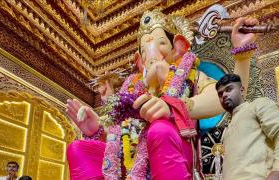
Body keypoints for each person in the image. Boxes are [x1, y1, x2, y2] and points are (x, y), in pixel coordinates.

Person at [66, 9, 259, 179]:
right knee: (78, 149)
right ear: (139, 61)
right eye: (145, 50)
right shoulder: (133, 90)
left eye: (161, 44)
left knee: (159, 128)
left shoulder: (190, 77)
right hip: (133, 168)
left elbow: (225, 97)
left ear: (178, 48)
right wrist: (97, 130)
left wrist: (172, 106)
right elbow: (122, 141)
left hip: (175, 155)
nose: (152, 55)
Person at [216, 74, 279, 180]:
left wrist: (278, 171)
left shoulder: (257, 105)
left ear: (242, 90)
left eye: (229, 89)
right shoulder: (227, 129)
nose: (224, 95)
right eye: (220, 94)